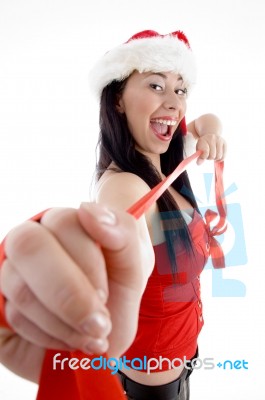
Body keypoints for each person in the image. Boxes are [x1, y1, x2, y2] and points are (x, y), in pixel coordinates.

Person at [0, 30, 227, 399]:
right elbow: (122, 246)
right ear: (118, 99)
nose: (174, 103)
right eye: (156, 86)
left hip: (180, 361)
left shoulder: (164, 163)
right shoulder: (126, 188)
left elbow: (203, 122)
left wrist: (212, 131)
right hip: (152, 383)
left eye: (180, 90)